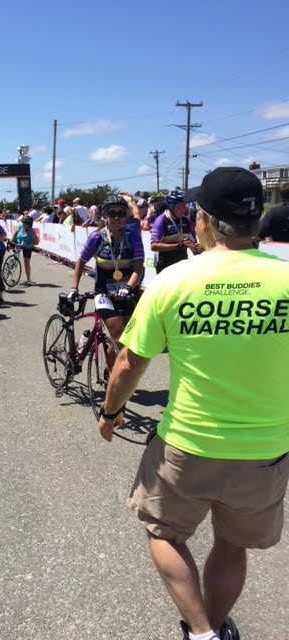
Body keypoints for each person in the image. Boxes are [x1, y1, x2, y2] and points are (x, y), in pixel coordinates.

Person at [98, 166, 289, 640]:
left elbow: (129, 362)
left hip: (187, 442)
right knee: (231, 543)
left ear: (202, 220)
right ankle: (216, 624)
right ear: (256, 221)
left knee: (164, 533)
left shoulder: (174, 281)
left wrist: (111, 412)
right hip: (266, 448)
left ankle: (200, 632)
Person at [69, 196, 144, 346]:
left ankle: (108, 368)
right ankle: (113, 368)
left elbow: (138, 267)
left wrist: (128, 287)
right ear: (105, 215)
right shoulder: (96, 237)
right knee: (118, 335)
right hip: (104, 293)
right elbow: (81, 262)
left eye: (121, 213)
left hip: (127, 293)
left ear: (126, 216)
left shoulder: (133, 236)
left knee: (129, 340)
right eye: (112, 213)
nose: (117, 218)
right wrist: (74, 288)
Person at [150, 190, 201, 273]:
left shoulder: (186, 221)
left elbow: (193, 244)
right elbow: (153, 246)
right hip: (165, 266)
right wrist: (177, 246)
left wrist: (198, 248)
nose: (184, 209)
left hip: (182, 265)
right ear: (171, 206)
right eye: (180, 206)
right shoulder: (161, 220)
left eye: (185, 205)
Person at [11, 215, 40, 285]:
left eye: (25, 223)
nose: (23, 224)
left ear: (29, 225)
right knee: (15, 258)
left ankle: (28, 279)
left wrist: (28, 243)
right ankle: (11, 272)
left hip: (27, 246)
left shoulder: (31, 231)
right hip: (19, 243)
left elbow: (36, 242)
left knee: (26, 262)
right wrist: (12, 240)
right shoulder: (21, 227)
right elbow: (16, 233)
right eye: (23, 223)